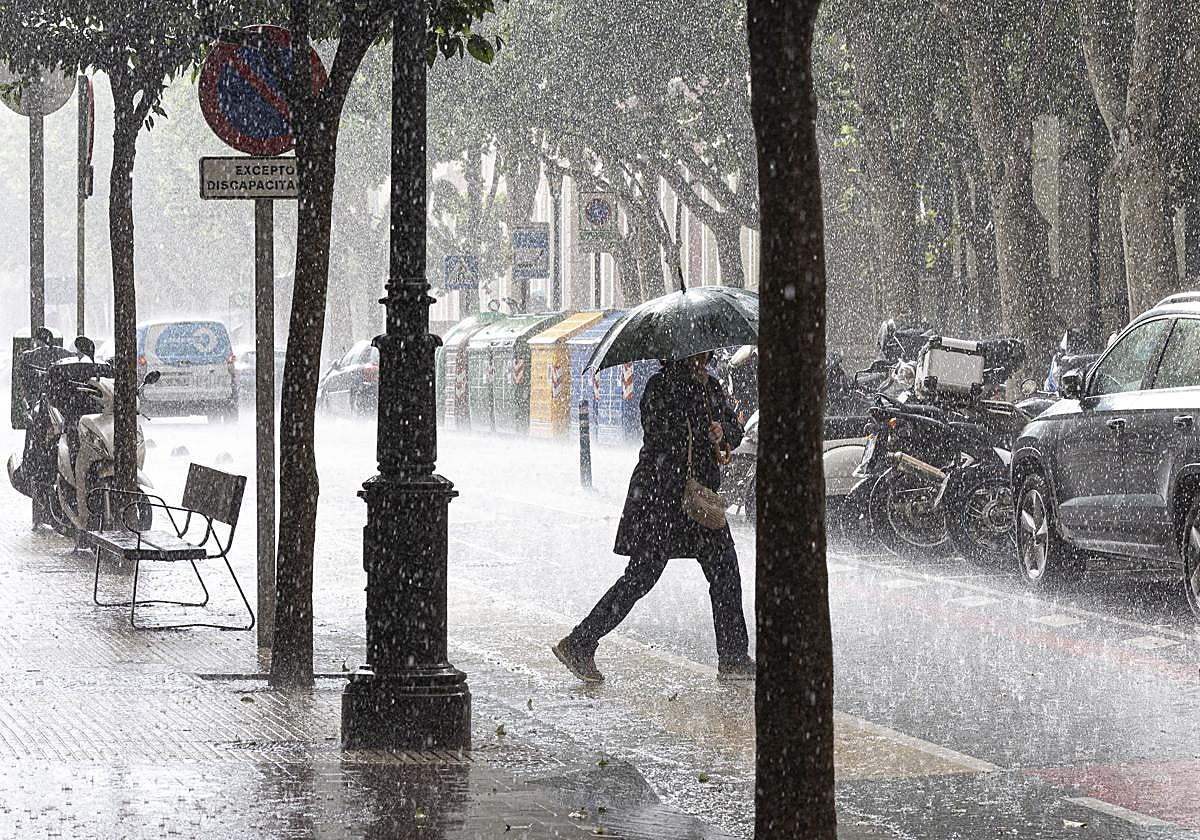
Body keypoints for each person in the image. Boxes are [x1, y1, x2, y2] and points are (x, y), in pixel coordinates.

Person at [552, 351, 755, 682]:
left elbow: (734, 428)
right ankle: (580, 642)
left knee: (725, 571)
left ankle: (733, 656)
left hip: (699, 500)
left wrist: (723, 432)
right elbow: (662, 436)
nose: (705, 357)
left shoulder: (712, 387)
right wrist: (700, 425)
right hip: (662, 500)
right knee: (641, 576)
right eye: (698, 353)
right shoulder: (661, 387)